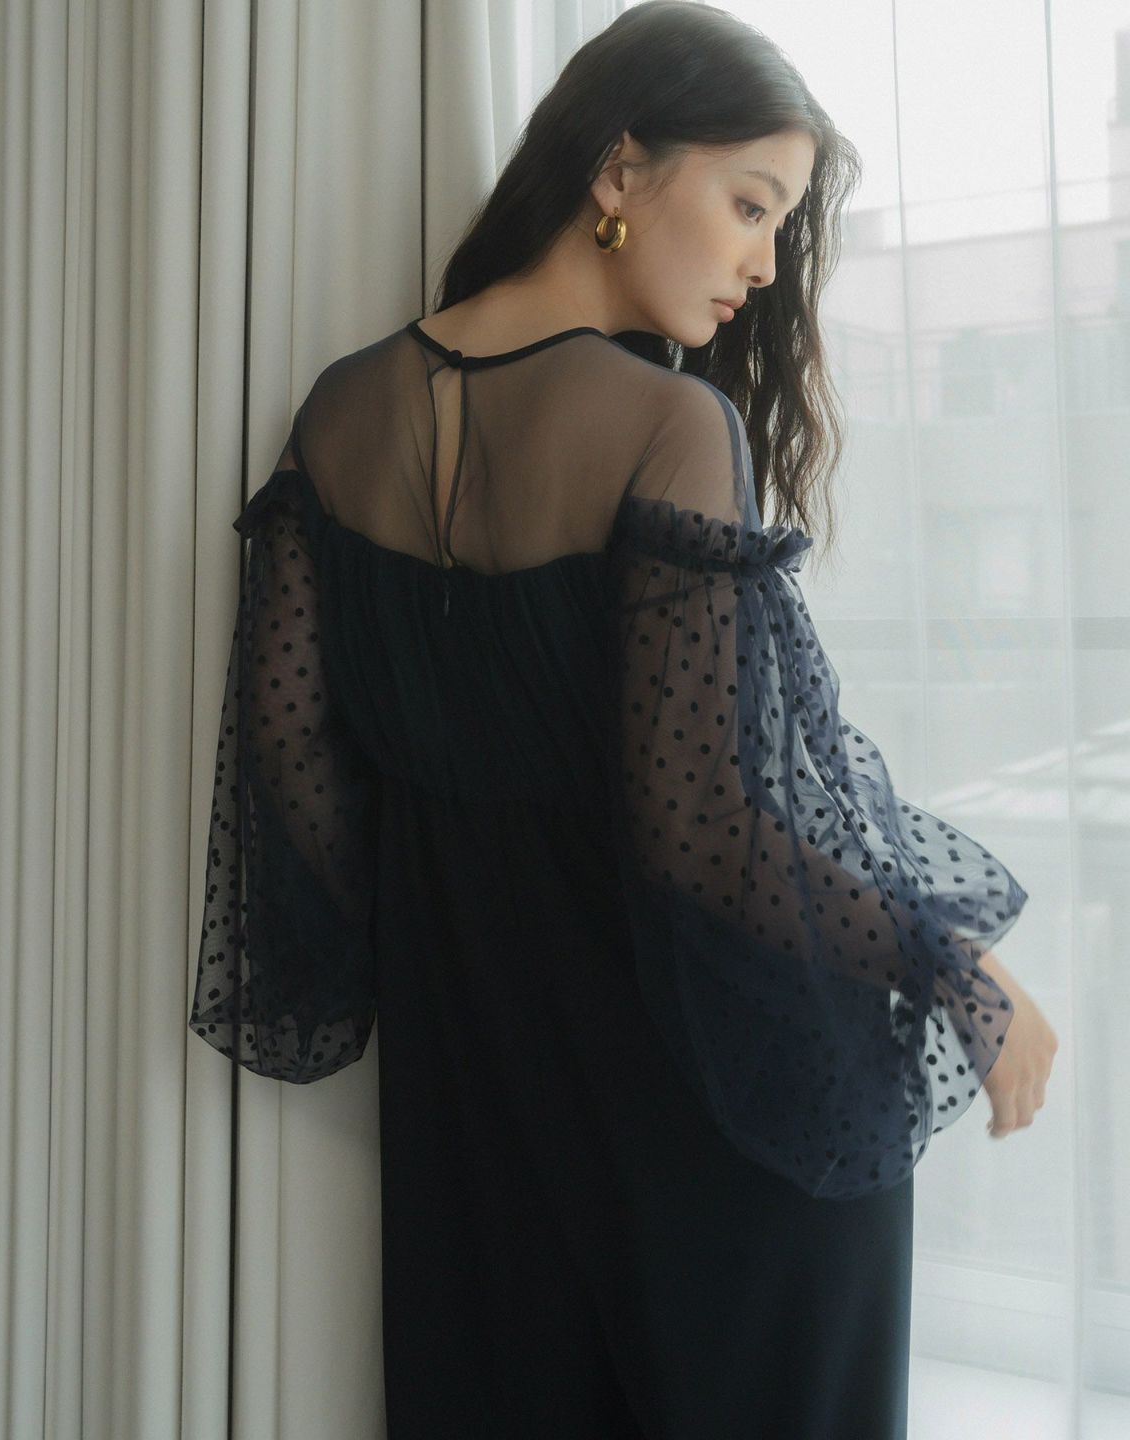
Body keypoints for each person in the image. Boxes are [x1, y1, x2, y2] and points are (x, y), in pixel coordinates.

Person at [188, 3, 1057, 1434]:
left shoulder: (337, 416)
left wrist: (462, 937)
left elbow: (289, 751)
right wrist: (949, 962)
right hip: (708, 1129)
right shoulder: (666, 423)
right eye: (751, 205)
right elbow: (705, 820)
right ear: (618, 169)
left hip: (479, 1129)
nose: (765, 264)